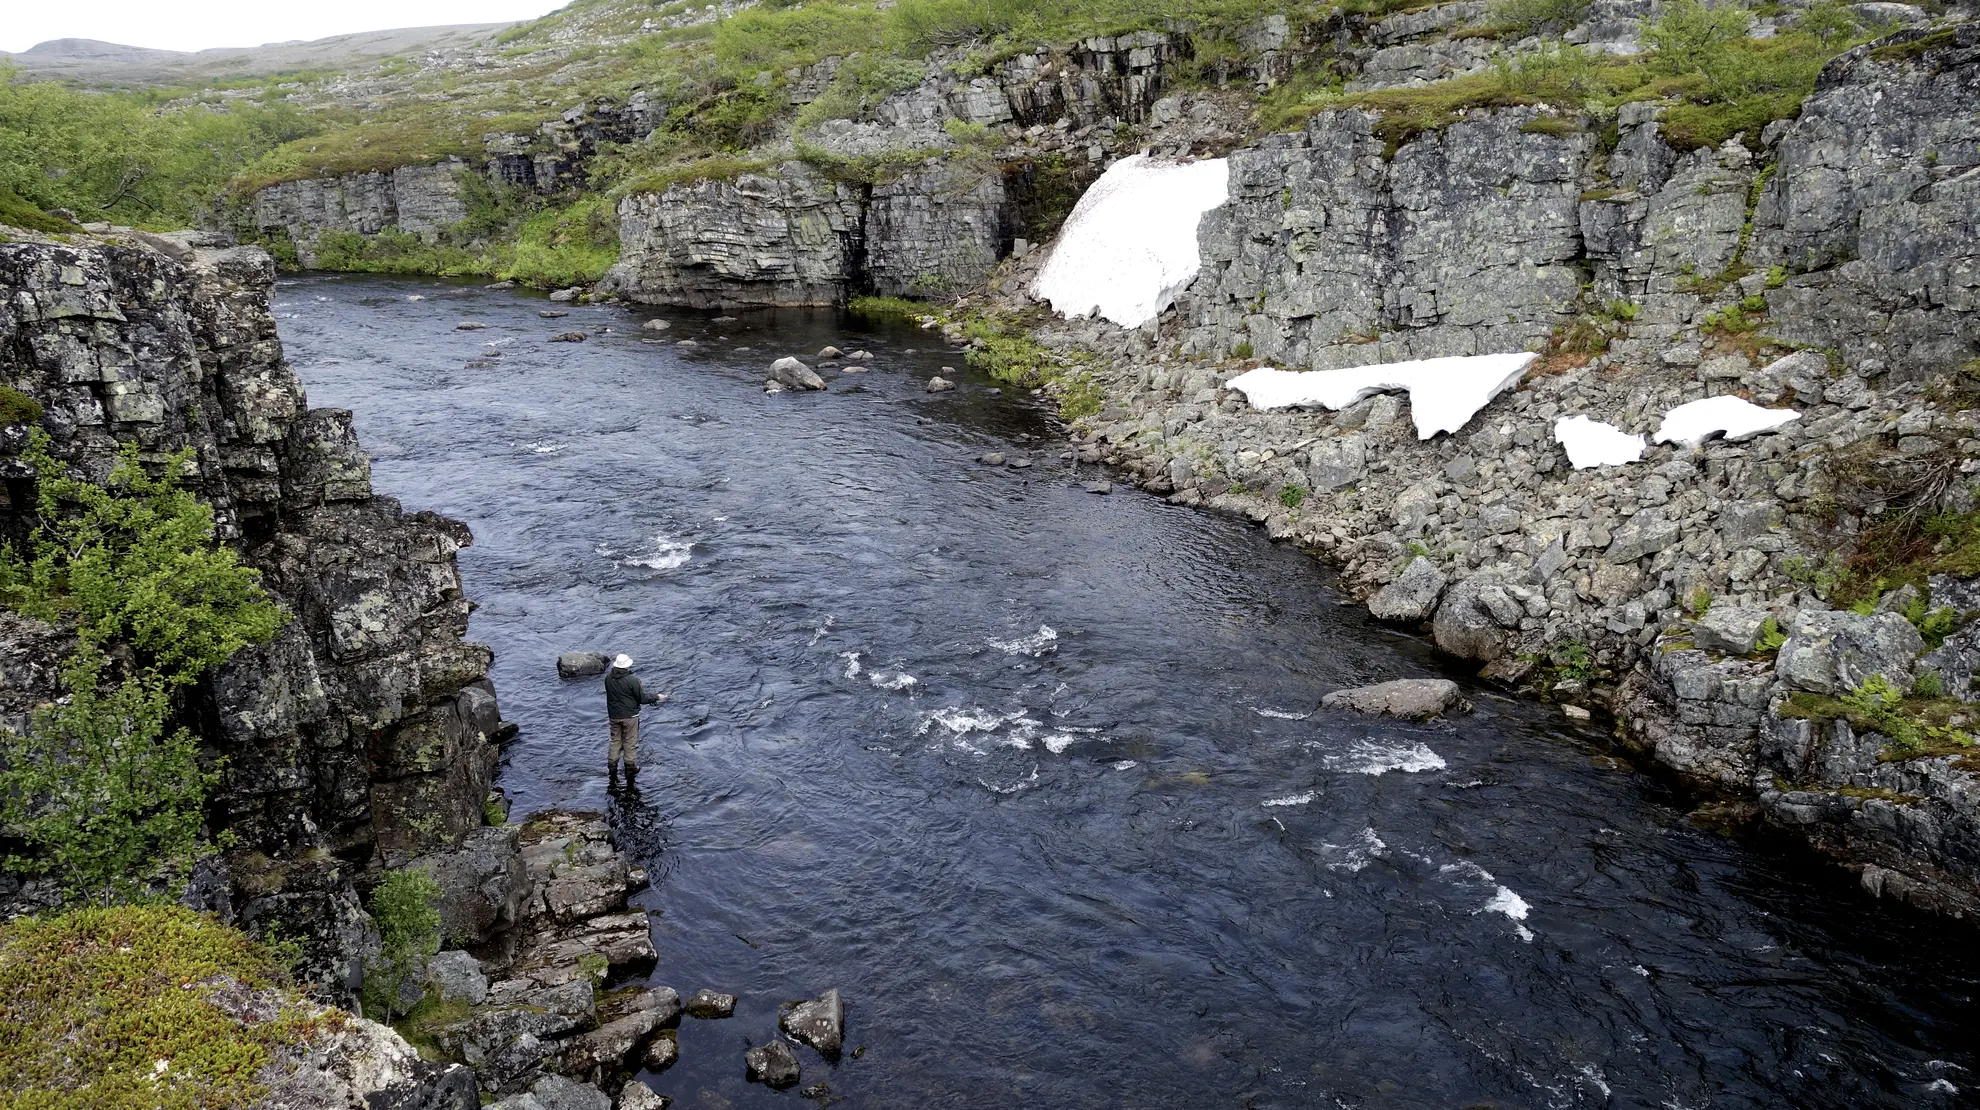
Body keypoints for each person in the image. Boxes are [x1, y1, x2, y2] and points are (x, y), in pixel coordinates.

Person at [605, 653, 666, 783]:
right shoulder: (632, 680)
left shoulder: (608, 678)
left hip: (614, 716)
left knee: (615, 741)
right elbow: (642, 699)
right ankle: (630, 769)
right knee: (630, 742)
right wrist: (656, 697)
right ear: (627, 666)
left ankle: (612, 768)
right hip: (630, 716)